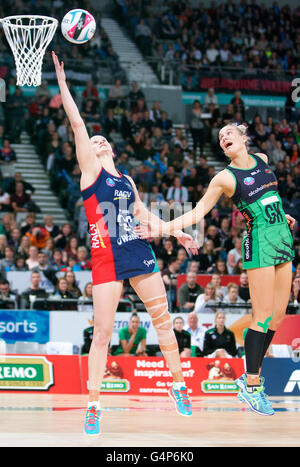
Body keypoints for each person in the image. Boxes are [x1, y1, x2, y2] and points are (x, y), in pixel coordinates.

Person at [52, 51, 198, 436]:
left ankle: (178, 387)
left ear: (112, 150)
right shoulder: (90, 172)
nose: (96, 141)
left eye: (102, 140)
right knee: (102, 335)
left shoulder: (126, 181)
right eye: (93, 141)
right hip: (105, 259)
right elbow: (77, 122)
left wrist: (176, 232)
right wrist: (64, 85)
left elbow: (146, 218)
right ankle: (94, 405)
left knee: (164, 323)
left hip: (137, 251)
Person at [136, 122, 296, 416]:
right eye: (220, 137)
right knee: (261, 317)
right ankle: (251, 385)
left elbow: (269, 196)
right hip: (259, 241)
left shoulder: (263, 160)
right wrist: (162, 228)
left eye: (229, 133)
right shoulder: (224, 178)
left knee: (278, 316)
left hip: (282, 238)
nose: (224, 138)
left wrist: (282, 214)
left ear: (243, 138)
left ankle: (250, 377)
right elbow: (197, 213)